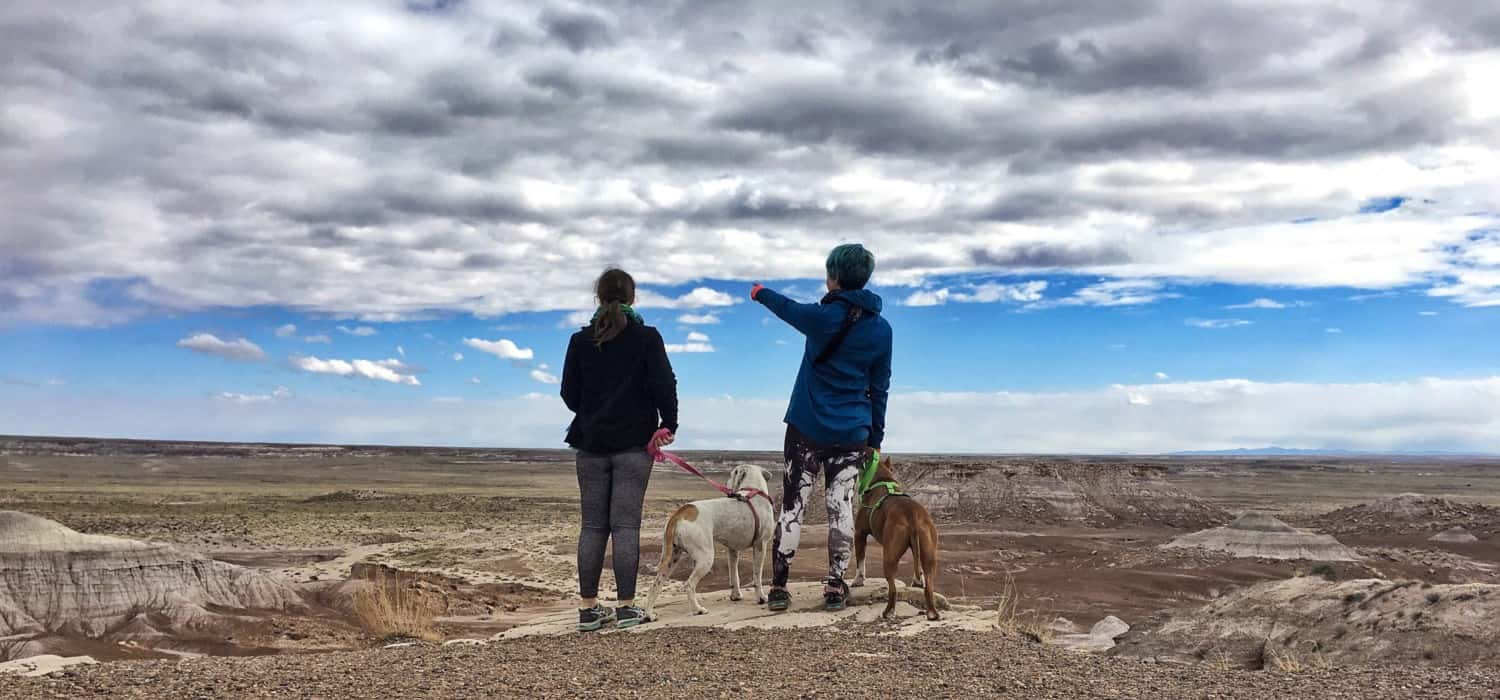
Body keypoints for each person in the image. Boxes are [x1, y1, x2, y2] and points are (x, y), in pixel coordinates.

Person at [750, 243, 892, 611]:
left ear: (834, 278)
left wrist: (759, 292)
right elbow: (880, 387)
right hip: (852, 433)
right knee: (841, 508)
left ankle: (779, 588)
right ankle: (835, 585)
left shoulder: (821, 317)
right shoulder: (882, 330)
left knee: (794, 507)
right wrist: (874, 438)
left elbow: (787, 308)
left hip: (806, 427)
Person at [561, 268, 678, 631]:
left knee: (593, 527)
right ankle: (627, 608)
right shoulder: (647, 338)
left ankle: (588, 610)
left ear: (598, 297)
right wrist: (668, 425)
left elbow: (569, 394)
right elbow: (665, 384)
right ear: (632, 297)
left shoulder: (580, 340)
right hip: (633, 446)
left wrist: (594, 410)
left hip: (590, 444)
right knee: (626, 526)